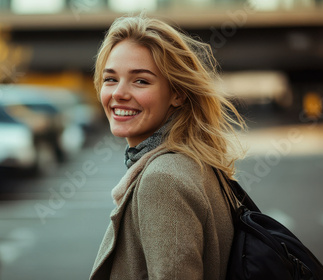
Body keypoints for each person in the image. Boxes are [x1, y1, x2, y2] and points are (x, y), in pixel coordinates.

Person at [89, 14, 246, 280]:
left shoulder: (163, 180)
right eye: (110, 79)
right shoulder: (193, 163)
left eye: (140, 81)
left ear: (177, 93)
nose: (118, 93)